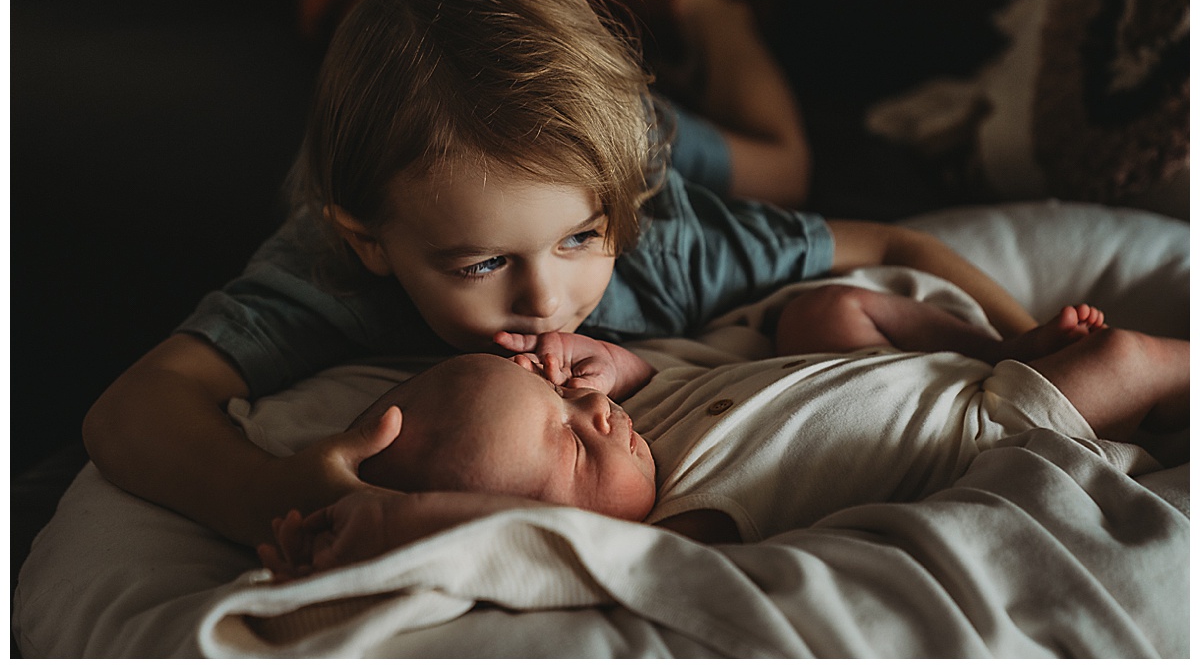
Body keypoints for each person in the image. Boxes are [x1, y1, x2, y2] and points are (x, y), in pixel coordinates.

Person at [83, 0, 1039, 551]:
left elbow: (898, 239)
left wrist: (1027, 340)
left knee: (781, 167)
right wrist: (262, 496)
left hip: (637, 131)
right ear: (370, 245)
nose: (547, 298)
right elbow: (132, 408)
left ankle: (711, 12)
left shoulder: (659, 237)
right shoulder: (327, 268)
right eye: (481, 264)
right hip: (464, 171)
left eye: (580, 241)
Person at [258, 288, 1188, 571]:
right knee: (1121, 364)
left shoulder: (633, 432)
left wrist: (606, 365)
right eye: (576, 439)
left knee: (820, 311)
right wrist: (386, 527)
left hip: (900, 359)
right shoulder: (685, 528)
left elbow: (657, 373)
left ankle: (999, 338)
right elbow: (537, 543)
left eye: (565, 398)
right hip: (979, 416)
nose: (598, 414)